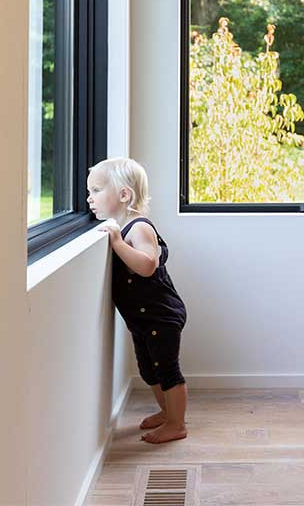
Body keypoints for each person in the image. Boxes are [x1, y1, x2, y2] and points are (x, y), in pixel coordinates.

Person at [87, 158, 189, 444]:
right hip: (143, 319)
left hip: (161, 316)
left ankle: (177, 423)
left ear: (123, 195)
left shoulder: (139, 228)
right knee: (149, 370)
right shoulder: (123, 227)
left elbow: (147, 266)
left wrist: (118, 243)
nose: (89, 198)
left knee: (166, 370)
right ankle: (167, 412)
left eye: (95, 190)